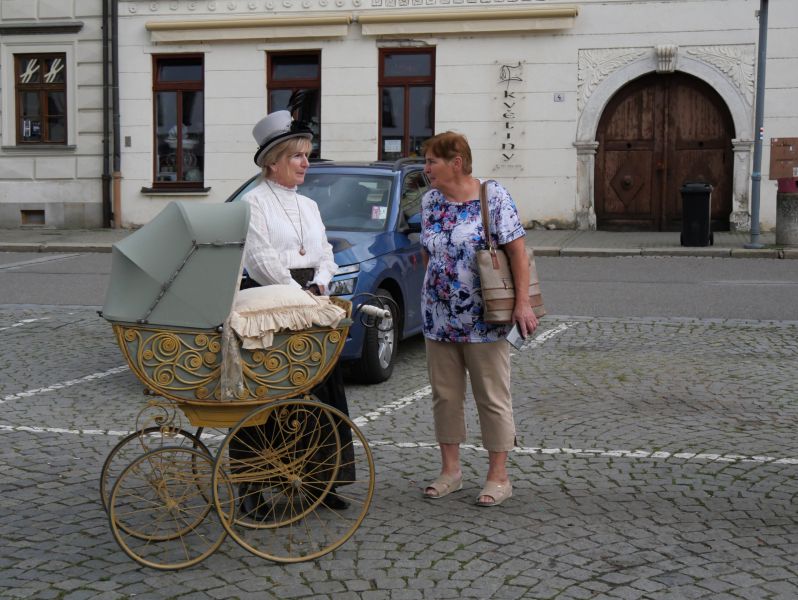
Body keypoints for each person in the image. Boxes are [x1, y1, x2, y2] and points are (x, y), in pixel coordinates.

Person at [233, 110, 352, 514]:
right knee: (266, 394)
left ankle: (320, 479)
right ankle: (253, 489)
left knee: (321, 390)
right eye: (297, 156)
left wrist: (320, 282)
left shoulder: (309, 205)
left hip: (312, 301)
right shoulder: (253, 203)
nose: (306, 163)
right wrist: (297, 292)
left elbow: (327, 252)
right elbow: (261, 259)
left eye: (307, 155)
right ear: (273, 162)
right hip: (270, 303)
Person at [419, 131, 538, 507]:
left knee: (492, 396)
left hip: (485, 318)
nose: (426, 169)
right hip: (439, 318)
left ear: (456, 163)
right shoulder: (430, 201)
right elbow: (428, 253)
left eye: (432, 161)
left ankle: (499, 477)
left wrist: (522, 304)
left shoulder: (493, 195)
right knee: (445, 396)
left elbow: (517, 253)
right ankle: (450, 471)